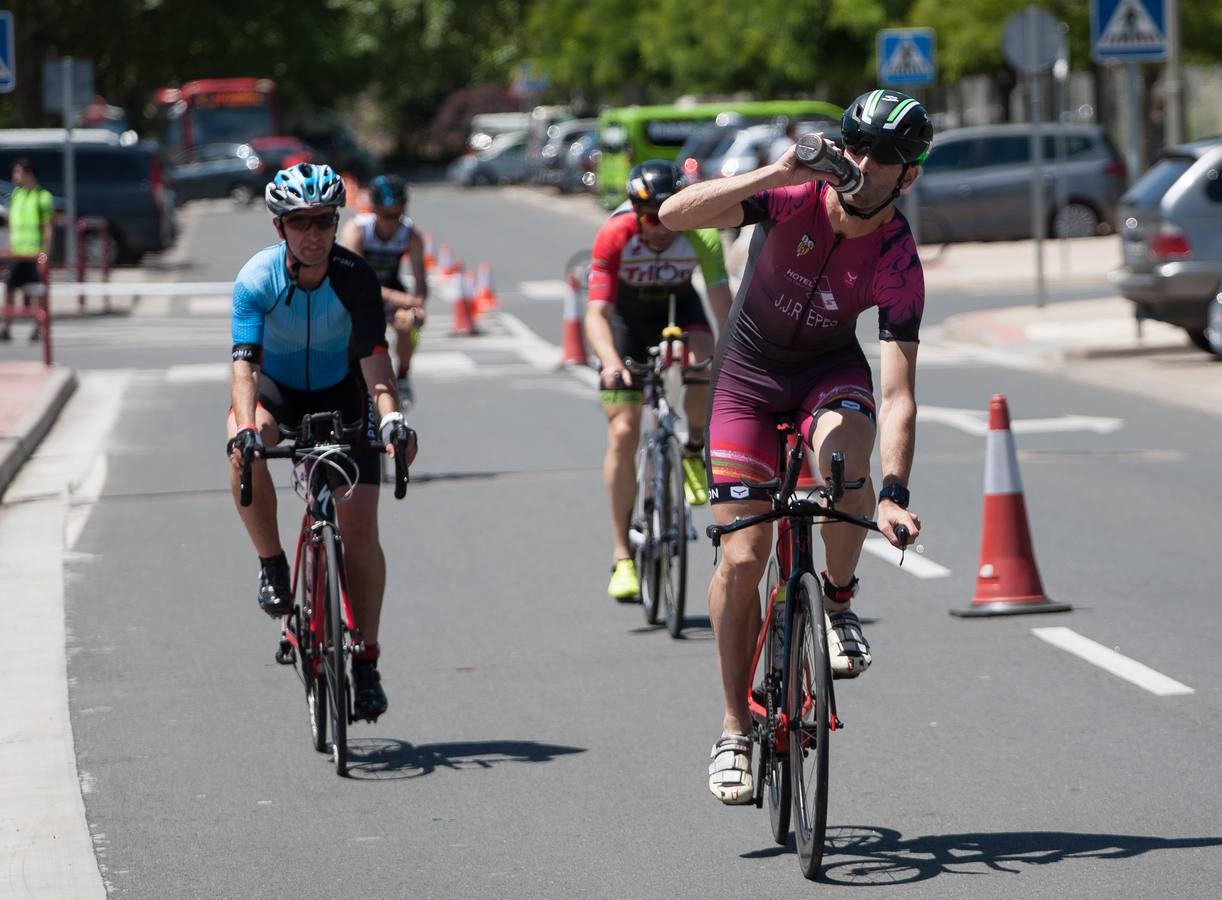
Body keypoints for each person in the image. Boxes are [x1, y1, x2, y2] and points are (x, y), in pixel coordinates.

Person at [658, 90, 928, 803]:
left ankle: (836, 604)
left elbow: (899, 391)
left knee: (844, 463)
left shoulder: (898, 257)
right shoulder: (793, 196)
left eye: (886, 159)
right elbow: (671, 215)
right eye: (856, 147)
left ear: (910, 176)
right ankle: (732, 726)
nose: (865, 166)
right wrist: (773, 175)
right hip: (747, 377)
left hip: (827, 371)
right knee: (743, 559)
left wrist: (895, 494)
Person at [226, 162, 418, 723]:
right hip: (277, 392)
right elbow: (244, 366)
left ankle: (367, 661)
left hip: (343, 393)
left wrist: (390, 419)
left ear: (336, 222)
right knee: (244, 441)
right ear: (279, 225)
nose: (313, 233)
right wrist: (244, 425)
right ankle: (272, 564)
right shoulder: (257, 279)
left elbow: (375, 362)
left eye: (324, 221)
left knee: (360, 531)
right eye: (300, 222)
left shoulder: (354, 276)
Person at [584, 160, 733, 601]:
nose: (662, 226)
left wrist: (731, 355)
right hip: (628, 322)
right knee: (624, 429)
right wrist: (610, 360)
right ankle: (622, 555)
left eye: (671, 212)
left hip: (680, 310)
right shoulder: (615, 234)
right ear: (635, 213)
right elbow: (596, 313)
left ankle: (692, 449)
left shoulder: (701, 233)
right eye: (651, 217)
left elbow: (722, 304)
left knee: (706, 361)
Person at [338, 174, 428, 406]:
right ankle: (348, 380)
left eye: (398, 215)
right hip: (360, 294)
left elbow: (420, 282)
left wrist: (418, 306)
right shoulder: (357, 230)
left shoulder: (411, 234)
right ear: (374, 209)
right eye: (387, 216)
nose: (392, 222)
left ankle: (404, 376)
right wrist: (402, 297)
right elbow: (355, 282)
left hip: (390, 291)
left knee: (407, 322)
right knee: (350, 334)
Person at [1, 159, 55, 342]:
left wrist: (44, 254)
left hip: (34, 254)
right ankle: (6, 328)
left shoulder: (43, 197)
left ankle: (38, 328)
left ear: (29, 174)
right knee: (9, 288)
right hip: (17, 253)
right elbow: (12, 224)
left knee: (36, 292)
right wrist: (8, 248)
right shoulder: (17, 195)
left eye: (18, 172)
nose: (15, 177)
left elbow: (48, 227)